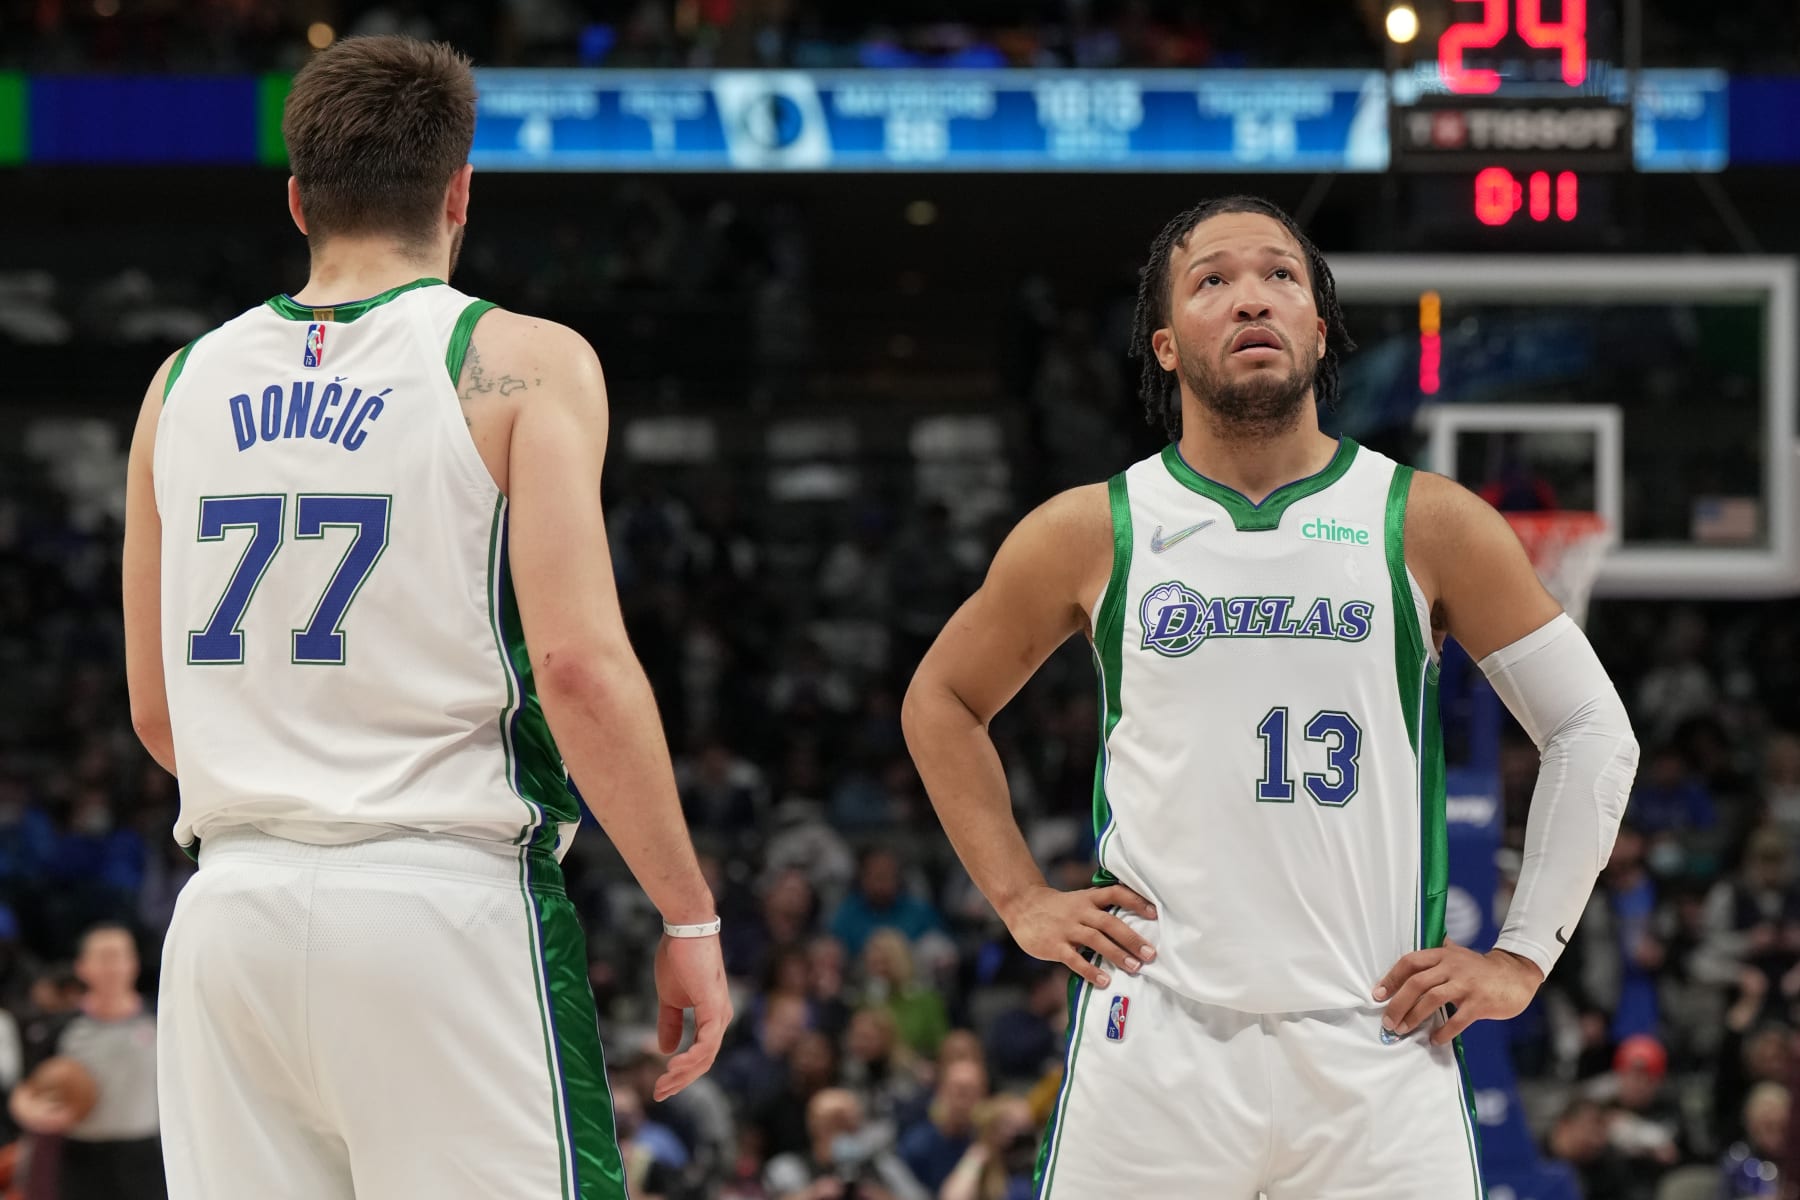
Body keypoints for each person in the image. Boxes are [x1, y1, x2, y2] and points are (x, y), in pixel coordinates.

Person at [901, 194, 1640, 1197]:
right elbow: (941, 700)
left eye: (1280, 277)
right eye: (1213, 281)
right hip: (1153, 1047)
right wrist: (1021, 899)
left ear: (1319, 329)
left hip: (1375, 1045)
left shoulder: (1425, 521)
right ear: (1164, 345)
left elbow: (1593, 727)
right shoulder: (1091, 530)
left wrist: (1522, 957)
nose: (1252, 298)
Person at [119, 35, 731, 1200]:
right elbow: (579, 667)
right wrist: (686, 912)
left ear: (299, 199)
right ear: (459, 194)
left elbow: (160, 715)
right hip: (440, 907)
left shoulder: (177, 383)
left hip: (228, 919)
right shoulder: (522, 362)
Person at [10, 924, 163, 1200]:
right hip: (80, 1154)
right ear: (83, 967)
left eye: (119, 955)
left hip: (145, 1155)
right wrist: (33, 1112)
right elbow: (24, 1090)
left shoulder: (159, 1022)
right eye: (103, 957)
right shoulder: (62, 1028)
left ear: (134, 964)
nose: (112, 966)